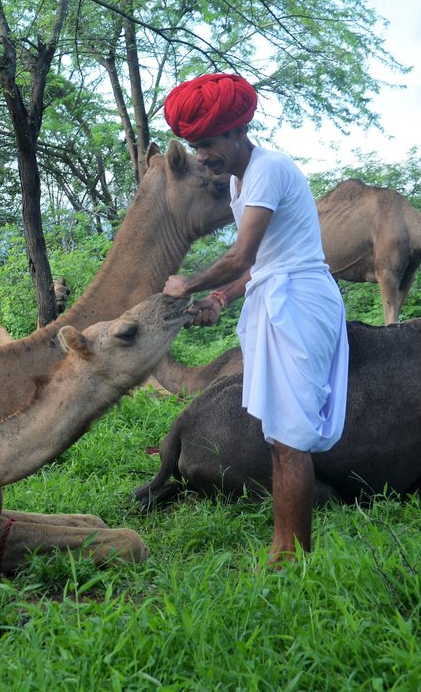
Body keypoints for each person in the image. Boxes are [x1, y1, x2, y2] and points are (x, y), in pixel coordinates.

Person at [160, 73, 349, 568]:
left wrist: (189, 284)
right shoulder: (243, 182)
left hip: (301, 303)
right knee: (278, 436)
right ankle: (284, 547)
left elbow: (242, 254)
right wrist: (222, 297)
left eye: (207, 144)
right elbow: (263, 263)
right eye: (194, 146)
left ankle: (291, 560)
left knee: (290, 440)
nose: (201, 156)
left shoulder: (269, 170)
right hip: (276, 295)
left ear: (239, 130)